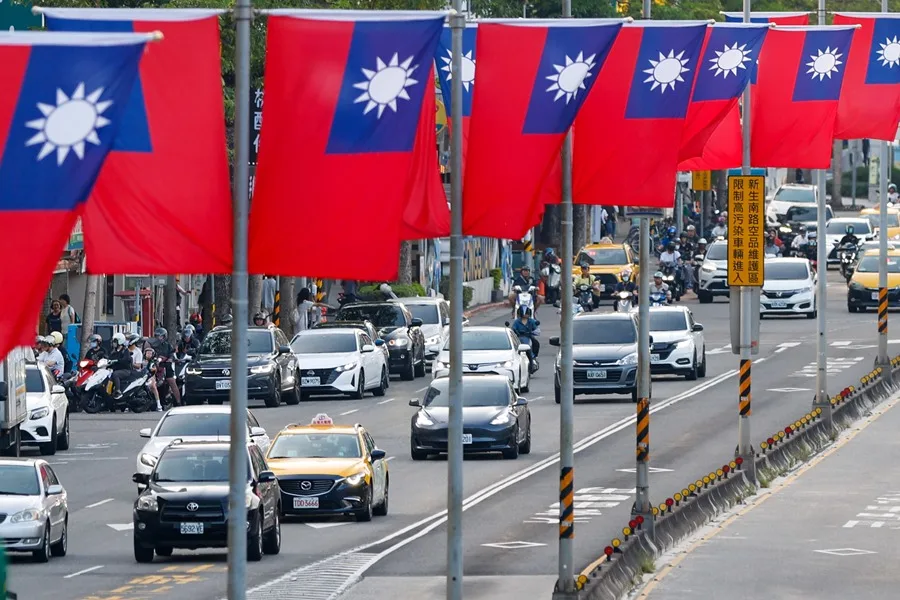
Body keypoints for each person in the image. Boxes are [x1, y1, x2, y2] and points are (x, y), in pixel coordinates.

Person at [152, 327, 181, 406]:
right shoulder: (152, 345)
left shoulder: (168, 345)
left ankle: (178, 401)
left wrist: (170, 359)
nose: (158, 338)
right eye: (157, 336)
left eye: (160, 336)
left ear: (164, 337)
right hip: (155, 366)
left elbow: (171, 354)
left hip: (166, 366)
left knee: (171, 381)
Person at [510, 307, 540, 371]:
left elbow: (537, 330)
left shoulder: (531, 321)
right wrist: (516, 332)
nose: (526, 314)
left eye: (527, 313)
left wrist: (532, 332)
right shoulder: (517, 322)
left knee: (536, 343)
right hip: (519, 337)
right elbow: (513, 329)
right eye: (524, 313)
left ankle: (534, 357)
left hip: (529, 336)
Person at [109, 333, 135, 399]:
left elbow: (125, 360)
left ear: (120, 341)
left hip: (126, 370)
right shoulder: (113, 351)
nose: (114, 343)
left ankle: (118, 391)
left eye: (115, 341)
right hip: (116, 369)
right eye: (113, 341)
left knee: (115, 374)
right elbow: (109, 359)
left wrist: (117, 360)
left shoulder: (125, 351)